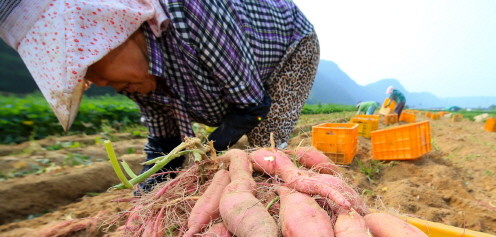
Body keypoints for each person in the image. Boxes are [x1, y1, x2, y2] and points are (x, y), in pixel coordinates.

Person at [0, 0, 319, 192]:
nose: (101, 83)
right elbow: (165, 143)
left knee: (266, 149)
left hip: (289, 46)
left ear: (111, 32)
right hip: (235, 76)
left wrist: (203, 156)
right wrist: (147, 190)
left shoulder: (190, 11)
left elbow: (251, 106)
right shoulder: (132, 79)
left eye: (91, 69)